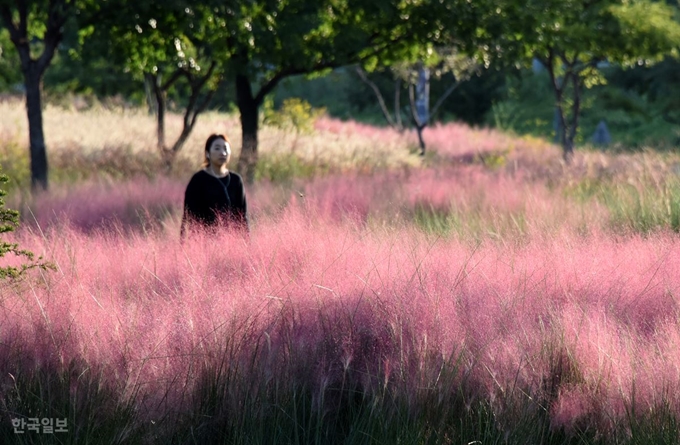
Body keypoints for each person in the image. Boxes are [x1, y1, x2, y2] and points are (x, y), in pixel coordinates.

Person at [180, 134, 249, 237]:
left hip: (232, 244)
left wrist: (246, 243)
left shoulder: (236, 180)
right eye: (217, 148)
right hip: (204, 242)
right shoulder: (198, 180)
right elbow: (189, 218)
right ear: (207, 153)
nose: (222, 152)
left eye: (225, 148)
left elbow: (242, 217)